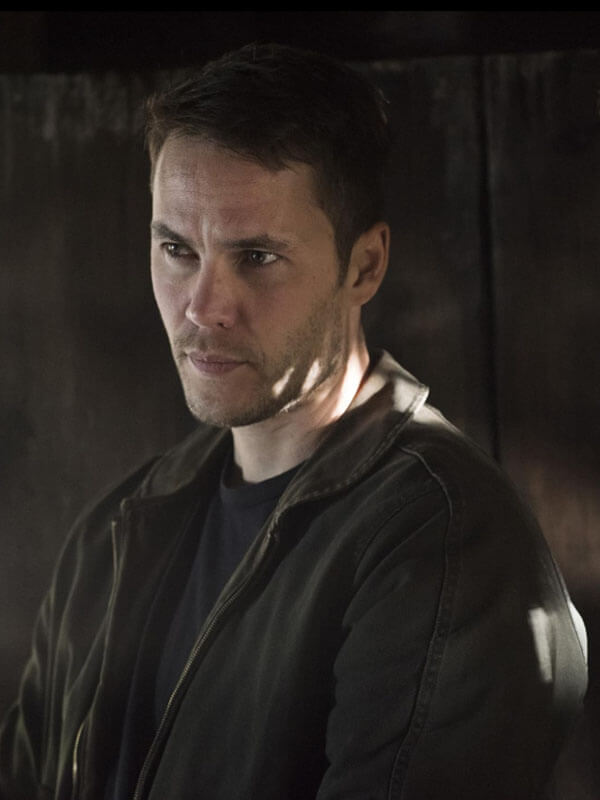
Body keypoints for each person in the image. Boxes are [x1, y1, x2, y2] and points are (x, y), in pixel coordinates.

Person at [0, 42, 587, 800]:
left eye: (256, 256)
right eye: (177, 248)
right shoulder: (115, 534)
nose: (203, 307)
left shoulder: (444, 543)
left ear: (364, 266)